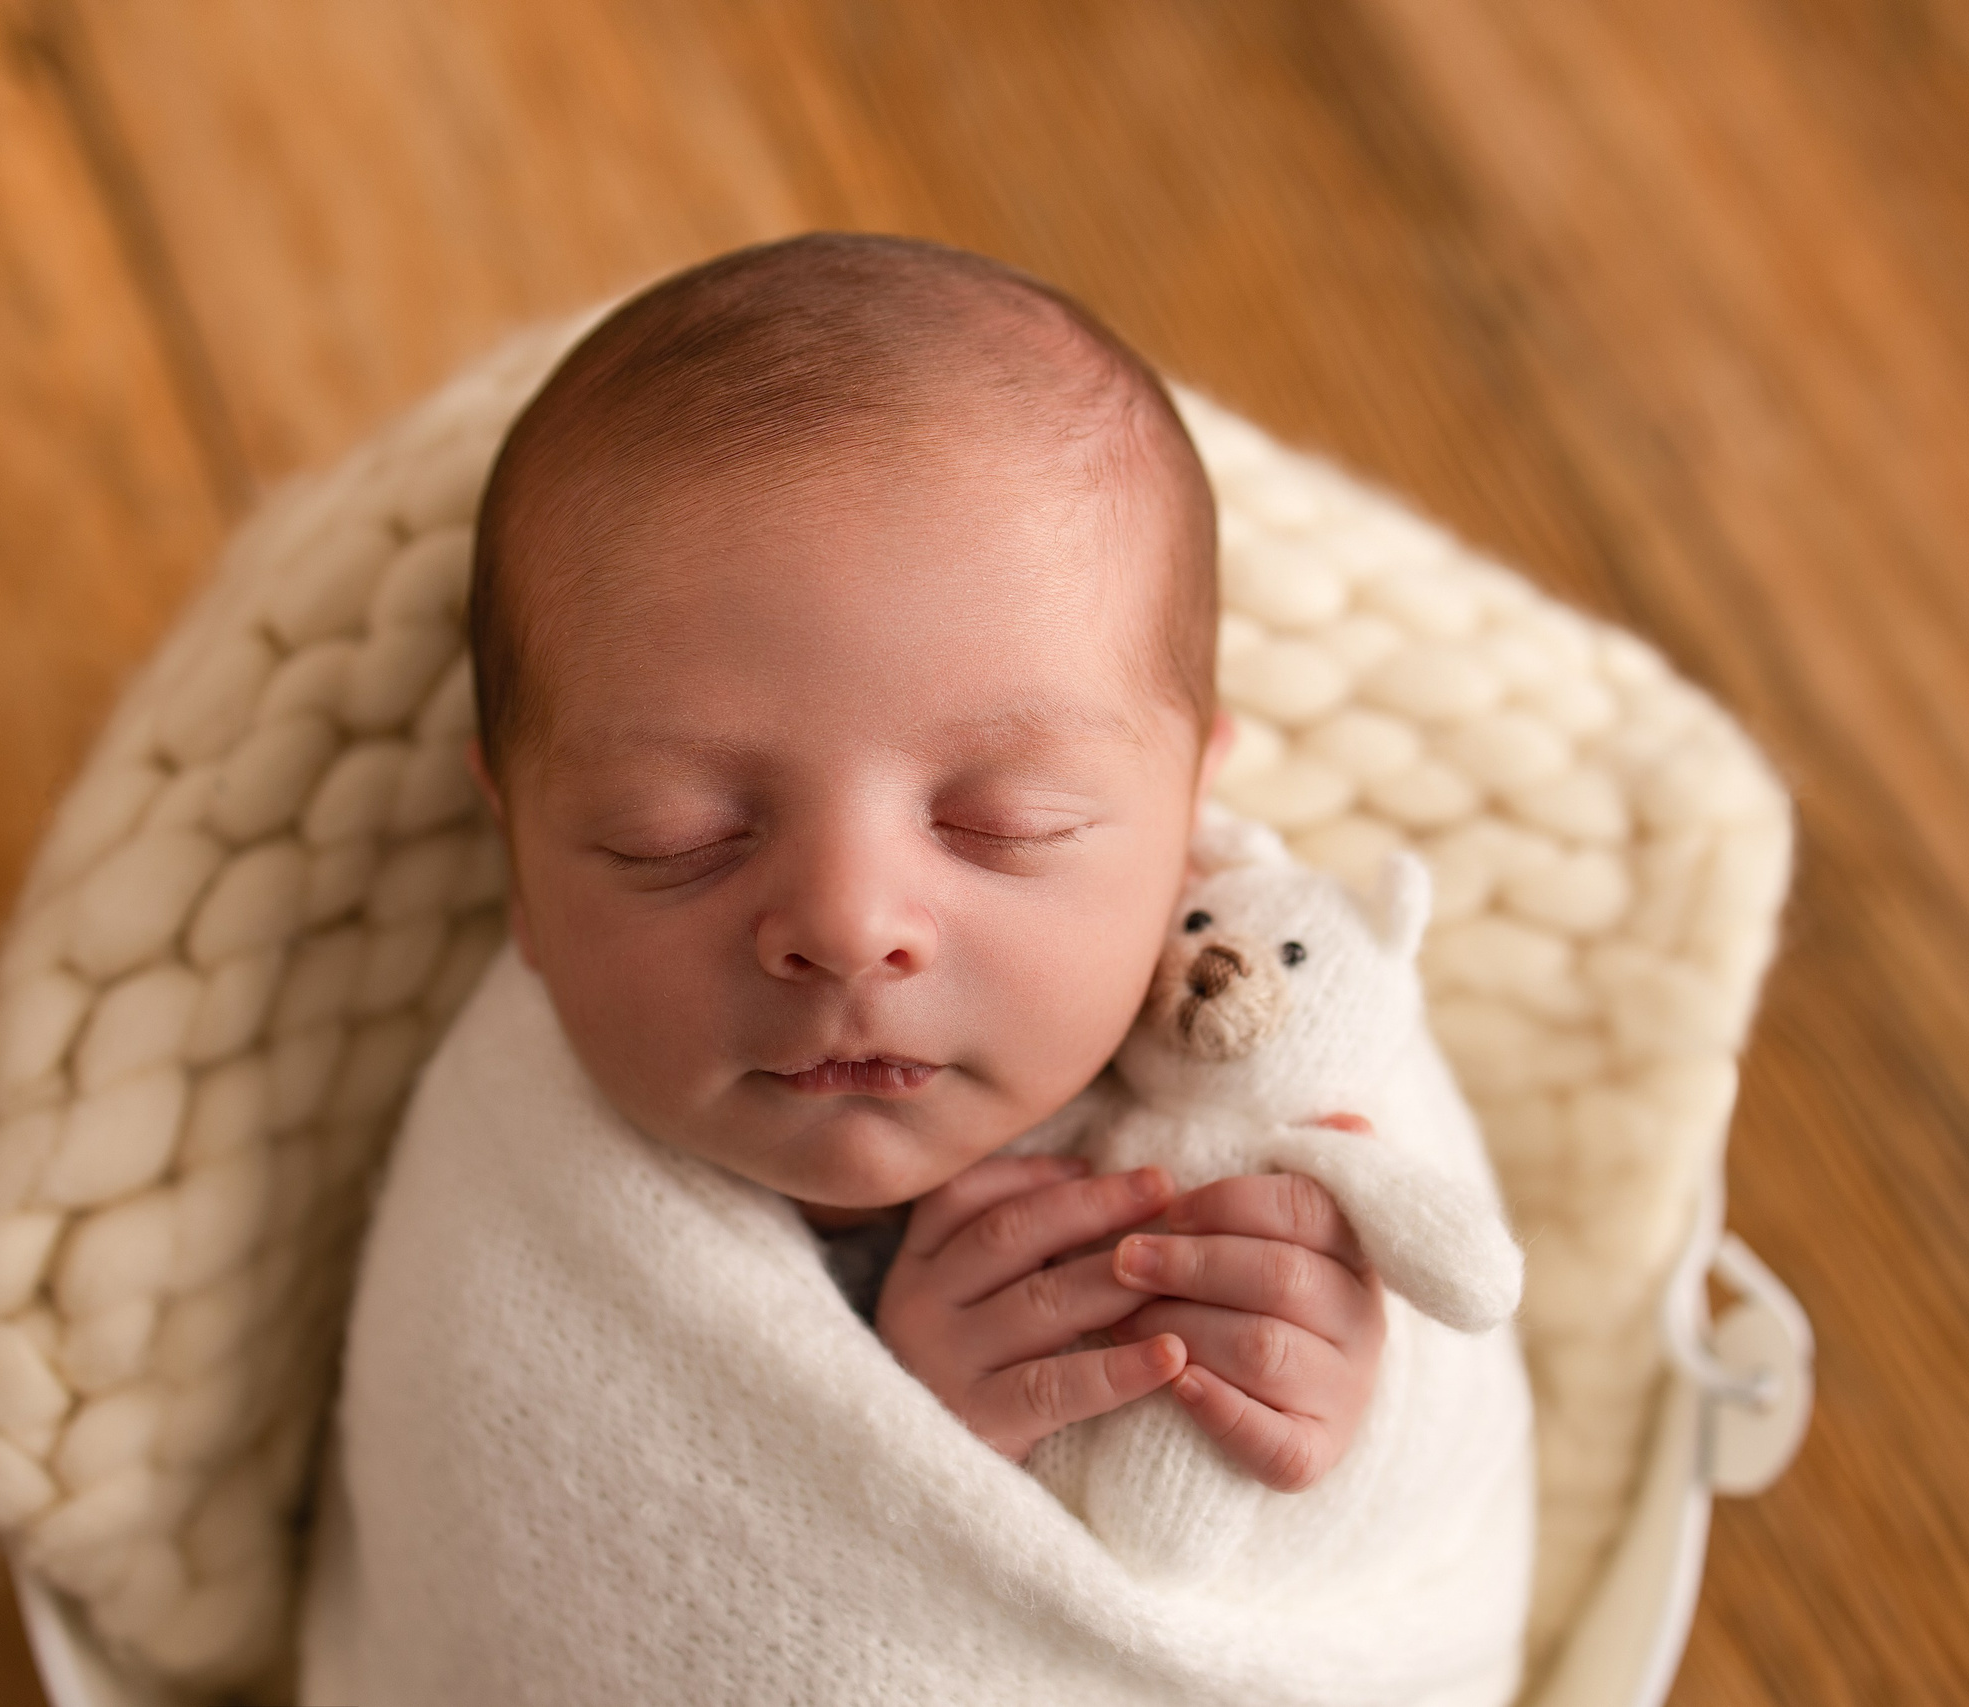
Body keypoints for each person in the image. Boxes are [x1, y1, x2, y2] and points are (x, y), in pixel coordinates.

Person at [460, 230, 1387, 1482]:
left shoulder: (1284, 1049)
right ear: (519, 860)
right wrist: (891, 1451)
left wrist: (1332, 1390)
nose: (846, 926)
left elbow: (1445, 1489)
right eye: (676, 835)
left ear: (1186, 826)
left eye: (1005, 824)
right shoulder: (506, 1200)